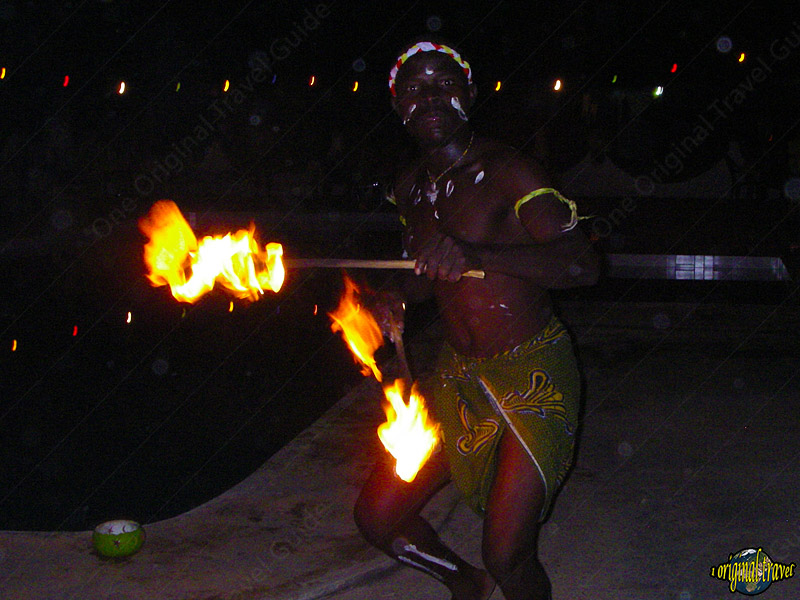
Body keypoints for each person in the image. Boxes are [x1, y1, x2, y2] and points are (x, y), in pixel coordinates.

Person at [353, 39, 599, 600]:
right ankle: (466, 584)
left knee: (508, 552)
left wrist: (477, 255)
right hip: (456, 378)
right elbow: (426, 272)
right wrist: (401, 298)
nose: (431, 98)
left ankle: (497, 576)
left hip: (533, 374)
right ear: (397, 105)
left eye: (445, 84)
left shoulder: (509, 171)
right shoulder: (409, 186)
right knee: (377, 516)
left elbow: (583, 265)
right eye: (415, 89)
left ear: (470, 94)